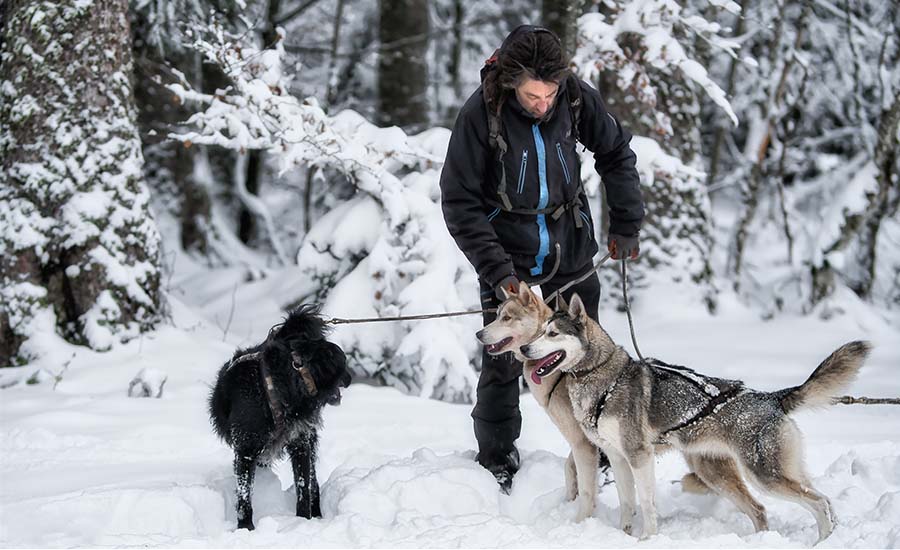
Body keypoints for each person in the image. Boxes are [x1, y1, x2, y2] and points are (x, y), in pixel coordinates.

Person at [439, 24, 645, 493]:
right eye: (534, 95)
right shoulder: (480, 115)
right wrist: (498, 273)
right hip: (509, 260)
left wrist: (627, 223)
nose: (544, 103)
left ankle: (601, 449)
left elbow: (615, 151)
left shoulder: (573, 96)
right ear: (512, 82)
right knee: (503, 364)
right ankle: (496, 459)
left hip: (570, 249)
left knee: (590, 358)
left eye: (550, 92)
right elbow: (459, 200)